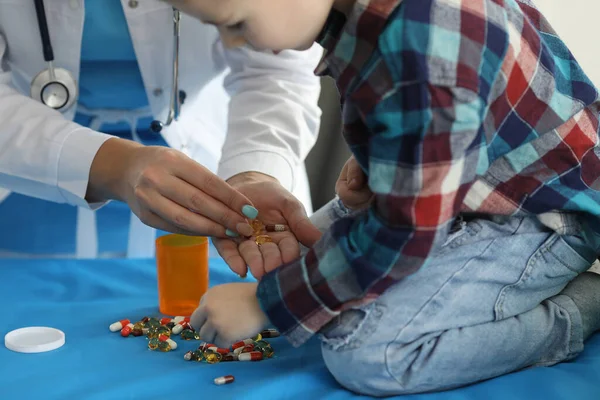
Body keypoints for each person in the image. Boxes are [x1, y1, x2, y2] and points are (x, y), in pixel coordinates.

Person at [181, 0, 600, 396]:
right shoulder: (375, 20)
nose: (234, 44)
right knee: (297, 253)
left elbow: (406, 231)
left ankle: (577, 309)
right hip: (463, 195)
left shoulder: (426, 51)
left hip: (544, 218)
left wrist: (267, 304)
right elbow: (448, 124)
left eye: (235, 23)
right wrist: (381, 168)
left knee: (368, 356)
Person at [0, 0, 322, 258]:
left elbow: (279, 65)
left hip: (207, 160)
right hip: (29, 163)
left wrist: (255, 171)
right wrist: (115, 167)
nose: (231, 37)